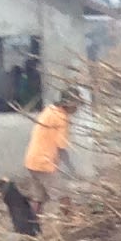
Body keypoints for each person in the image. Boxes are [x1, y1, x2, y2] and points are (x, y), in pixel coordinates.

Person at [24, 82, 80, 220]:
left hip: (32, 160)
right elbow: (61, 146)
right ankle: (73, 223)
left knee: (38, 197)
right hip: (45, 163)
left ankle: (31, 227)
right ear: (69, 104)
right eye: (76, 104)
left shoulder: (49, 110)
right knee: (63, 194)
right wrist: (71, 168)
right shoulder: (61, 118)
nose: (77, 108)